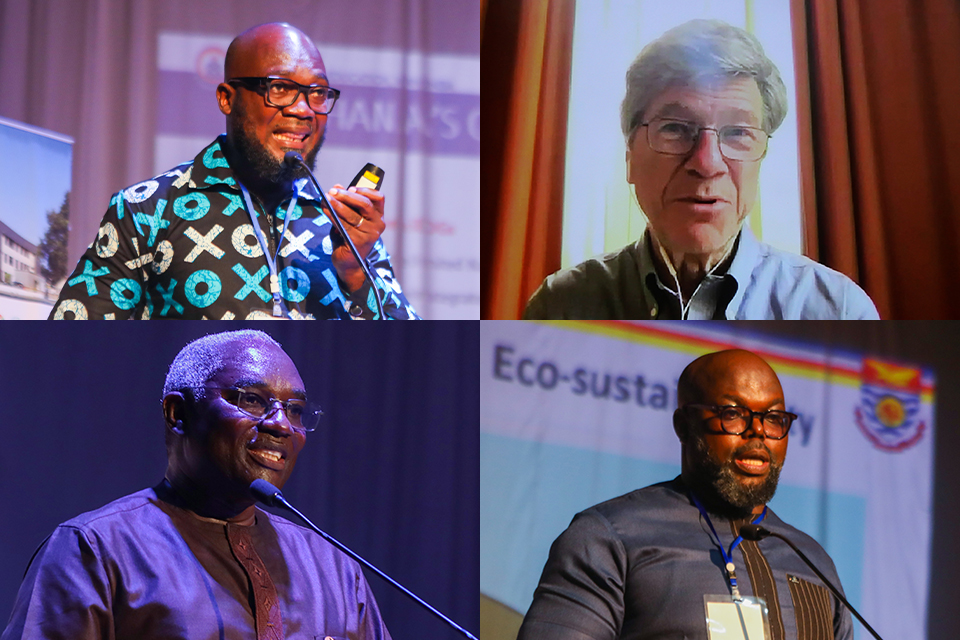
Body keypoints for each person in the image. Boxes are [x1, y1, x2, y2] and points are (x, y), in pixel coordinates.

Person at [1, 330, 392, 639]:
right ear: (178, 413)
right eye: (253, 399)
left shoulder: (333, 568)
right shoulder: (95, 550)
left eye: (295, 410)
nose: (281, 424)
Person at [51, 23, 419, 320]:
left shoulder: (342, 223)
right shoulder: (147, 211)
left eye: (317, 92)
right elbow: (68, 346)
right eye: (281, 89)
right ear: (227, 98)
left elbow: (412, 359)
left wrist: (356, 274)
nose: (304, 110)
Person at [523, 20, 879, 320]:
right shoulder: (562, 308)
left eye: (738, 133)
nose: (707, 164)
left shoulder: (837, 311)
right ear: (629, 156)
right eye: (676, 129)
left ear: (762, 155)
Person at [517, 349, 854, 639]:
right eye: (733, 415)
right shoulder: (611, 538)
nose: (758, 432)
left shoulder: (813, 561)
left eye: (774, 418)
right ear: (683, 425)